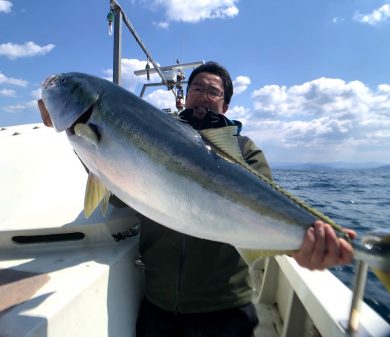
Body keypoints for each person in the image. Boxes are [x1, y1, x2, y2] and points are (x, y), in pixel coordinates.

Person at [134, 61, 356, 337]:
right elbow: (120, 195)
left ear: (225, 106)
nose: (202, 95)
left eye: (213, 91)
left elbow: (264, 212)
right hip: (158, 304)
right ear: (185, 97)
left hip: (225, 309)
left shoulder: (244, 150)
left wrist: (301, 245)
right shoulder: (155, 137)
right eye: (196, 88)